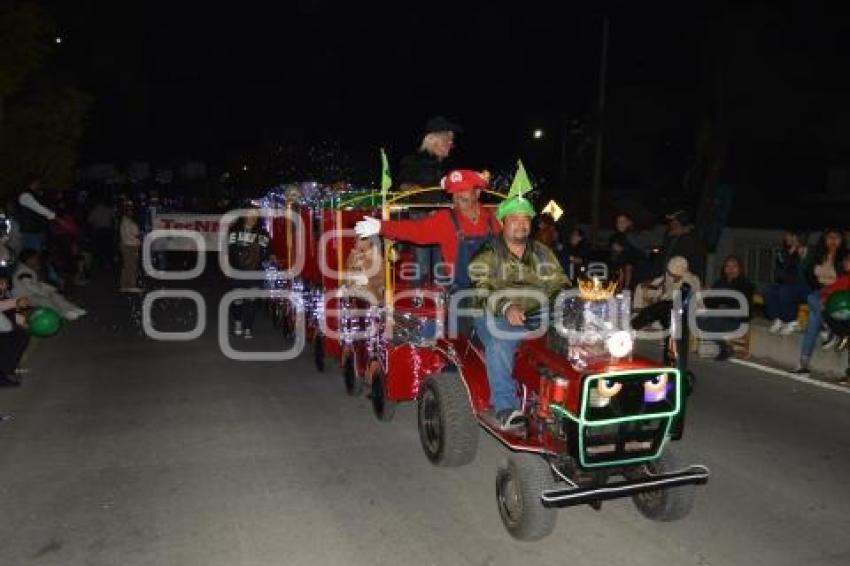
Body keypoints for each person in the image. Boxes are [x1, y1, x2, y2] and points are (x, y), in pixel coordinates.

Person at [468, 196, 570, 429]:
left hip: (538, 312)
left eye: (526, 219)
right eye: (515, 219)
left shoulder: (542, 252)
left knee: (581, 338)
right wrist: (507, 306)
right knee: (500, 341)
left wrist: (569, 301)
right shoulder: (487, 252)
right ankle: (505, 407)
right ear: (503, 222)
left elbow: (559, 282)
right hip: (493, 313)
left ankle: (569, 400)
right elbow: (483, 288)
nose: (521, 224)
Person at [354, 169, 500, 293]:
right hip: (462, 292)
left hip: (494, 289)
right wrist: (381, 226)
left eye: (463, 190)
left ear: (478, 192)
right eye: (453, 192)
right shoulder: (446, 219)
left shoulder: (493, 217)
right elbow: (416, 229)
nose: (457, 196)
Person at [397, 116, 463, 283]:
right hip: (421, 219)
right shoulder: (412, 161)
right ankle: (418, 302)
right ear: (435, 140)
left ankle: (443, 303)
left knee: (444, 264)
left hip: (444, 220)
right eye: (448, 141)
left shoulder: (450, 165)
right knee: (422, 265)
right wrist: (408, 187)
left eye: (451, 141)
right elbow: (401, 186)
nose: (451, 145)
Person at [792, 229, 846, 376]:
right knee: (813, 314)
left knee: (813, 307)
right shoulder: (816, 255)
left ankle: (803, 363)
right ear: (824, 239)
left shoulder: (845, 258)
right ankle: (831, 329)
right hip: (820, 294)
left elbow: (843, 280)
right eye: (830, 237)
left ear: (842, 240)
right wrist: (803, 260)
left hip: (837, 296)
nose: (833, 240)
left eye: (837, 237)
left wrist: (834, 256)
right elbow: (809, 278)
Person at [699, 255, 755, 361]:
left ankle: (724, 349)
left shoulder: (745, 285)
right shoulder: (720, 283)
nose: (731, 270)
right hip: (721, 316)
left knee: (712, 321)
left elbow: (737, 303)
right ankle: (725, 347)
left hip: (737, 319)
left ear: (740, 269)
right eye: (728, 267)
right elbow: (710, 303)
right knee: (699, 320)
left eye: (734, 267)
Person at [227, 208, 272, 339]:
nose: (253, 219)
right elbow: (226, 250)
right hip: (237, 271)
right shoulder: (234, 231)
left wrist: (272, 257)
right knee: (238, 300)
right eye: (250, 216)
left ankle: (248, 327)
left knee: (251, 301)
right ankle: (238, 322)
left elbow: (268, 251)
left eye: (255, 216)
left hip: (255, 272)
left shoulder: (263, 233)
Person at [12, 249, 86, 320]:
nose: (37, 259)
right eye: (35, 258)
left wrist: (51, 289)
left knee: (55, 295)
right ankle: (63, 314)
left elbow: (38, 284)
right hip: (23, 297)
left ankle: (72, 308)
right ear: (29, 260)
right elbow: (31, 287)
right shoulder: (23, 272)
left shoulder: (29, 269)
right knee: (44, 300)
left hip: (31, 293)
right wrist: (46, 293)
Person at [632, 256, 702, 330]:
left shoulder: (689, 283)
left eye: (672, 275)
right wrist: (649, 286)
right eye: (668, 272)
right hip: (664, 301)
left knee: (661, 309)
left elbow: (680, 303)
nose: (669, 275)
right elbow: (660, 282)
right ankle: (636, 317)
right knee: (640, 287)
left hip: (679, 312)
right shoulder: (669, 275)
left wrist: (660, 300)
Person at [762, 230, 809, 335]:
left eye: (789, 236)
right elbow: (782, 268)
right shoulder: (783, 253)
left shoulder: (806, 251)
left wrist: (802, 256)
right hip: (786, 285)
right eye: (786, 236)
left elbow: (805, 273)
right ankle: (777, 319)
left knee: (785, 290)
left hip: (804, 288)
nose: (786, 238)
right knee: (767, 289)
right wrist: (792, 251)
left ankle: (791, 321)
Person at [0, 275, 31, 387]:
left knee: (22, 335)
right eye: (0, 283)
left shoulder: (7, 295)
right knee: (14, 335)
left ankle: (7, 369)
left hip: (5, 328)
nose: (2, 286)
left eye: (5, 283)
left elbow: (12, 313)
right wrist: (16, 302)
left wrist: (23, 323)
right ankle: (4, 372)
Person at [660, 209, 706, 281]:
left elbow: (692, 263)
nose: (671, 224)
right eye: (671, 221)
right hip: (668, 277)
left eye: (674, 221)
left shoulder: (690, 240)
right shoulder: (670, 237)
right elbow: (664, 257)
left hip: (683, 279)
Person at [17, 176, 56, 252]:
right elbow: (39, 208)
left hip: (37, 229)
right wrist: (53, 216)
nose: (39, 184)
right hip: (30, 231)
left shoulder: (35, 194)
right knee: (32, 253)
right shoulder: (25, 195)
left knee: (39, 252)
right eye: (37, 182)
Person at [344, 236, 385, 303]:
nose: (355, 241)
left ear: (368, 241)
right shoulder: (353, 255)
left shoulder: (377, 258)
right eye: (355, 239)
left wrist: (366, 281)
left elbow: (381, 281)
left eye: (358, 239)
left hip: (371, 300)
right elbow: (347, 273)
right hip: (353, 298)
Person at [119, 203, 142, 292]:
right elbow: (136, 234)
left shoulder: (125, 221)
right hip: (130, 246)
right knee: (131, 266)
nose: (132, 213)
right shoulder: (128, 222)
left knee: (127, 266)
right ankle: (131, 285)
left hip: (127, 245)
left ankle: (125, 285)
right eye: (131, 211)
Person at [87, 199, 115, 269]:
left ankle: (99, 263)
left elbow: (89, 220)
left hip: (98, 231)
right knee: (107, 247)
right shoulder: (108, 209)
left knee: (99, 247)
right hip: (107, 230)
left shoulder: (95, 210)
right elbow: (113, 219)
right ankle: (107, 263)